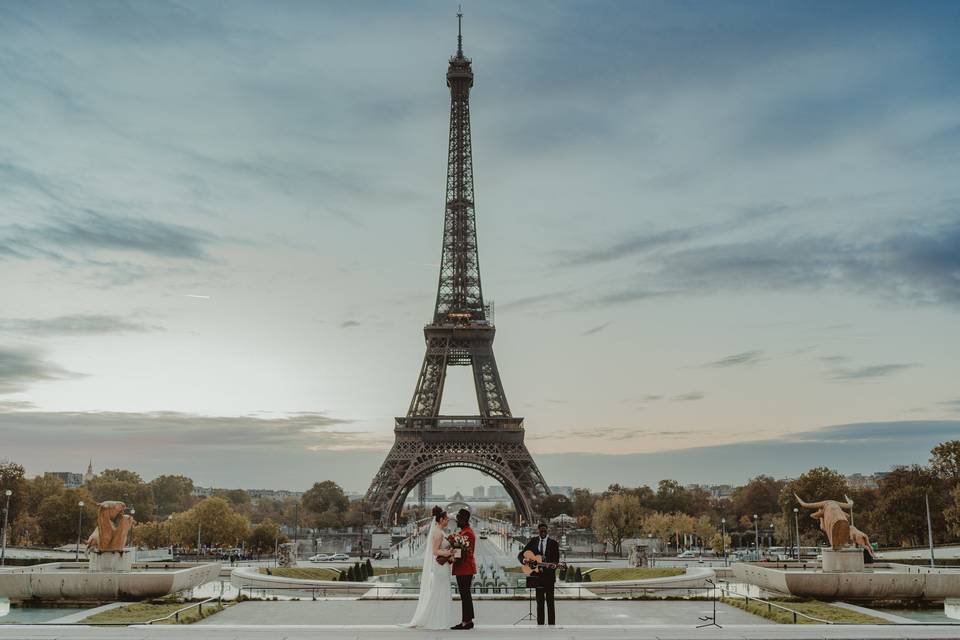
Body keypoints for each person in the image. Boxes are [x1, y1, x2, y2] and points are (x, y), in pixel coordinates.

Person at [402, 506, 454, 629]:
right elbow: (435, 551)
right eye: (446, 519)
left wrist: (449, 552)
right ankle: (437, 619)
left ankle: (437, 618)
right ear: (441, 519)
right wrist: (448, 553)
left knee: (440, 592)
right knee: (440, 592)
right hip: (440, 568)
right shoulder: (438, 533)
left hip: (443, 567)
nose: (447, 521)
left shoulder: (439, 531)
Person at [518, 523, 560, 626]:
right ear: (538, 531)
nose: (543, 533)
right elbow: (521, 554)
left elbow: (556, 561)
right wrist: (525, 561)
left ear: (547, 531)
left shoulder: (554, 544)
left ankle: (551, 625)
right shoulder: (533, 542)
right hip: (538, 577)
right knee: (539, 604)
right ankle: (540, 625)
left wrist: (553, 565)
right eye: (541, 531)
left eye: (545, 531)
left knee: (550, 603)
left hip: (549, 578)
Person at [451, 508, 477, 630]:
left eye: (458, 519)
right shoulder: (465, 532)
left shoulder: (467, 533)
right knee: (465, 595)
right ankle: (468, 620)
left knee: (465, 595)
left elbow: (462, 553)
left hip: (465, 568)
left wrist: (449, 556)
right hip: (465, 568)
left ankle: (466, 622)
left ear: (464, 520)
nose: (456, 521)